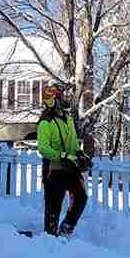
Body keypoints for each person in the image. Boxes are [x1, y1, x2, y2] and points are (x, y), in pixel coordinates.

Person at [36, 84, 89, 236]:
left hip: (70, 168)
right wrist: (62, 156)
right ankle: (50, 238)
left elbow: (72, 142)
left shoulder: (68, 119)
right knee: (53, 208)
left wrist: (79, 154)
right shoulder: (45, 122)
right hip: (53, 171)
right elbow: (43, 148)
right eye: (61, 96)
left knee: (81, 198)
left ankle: (66, 228)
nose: (64, 99)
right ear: (53, 100)